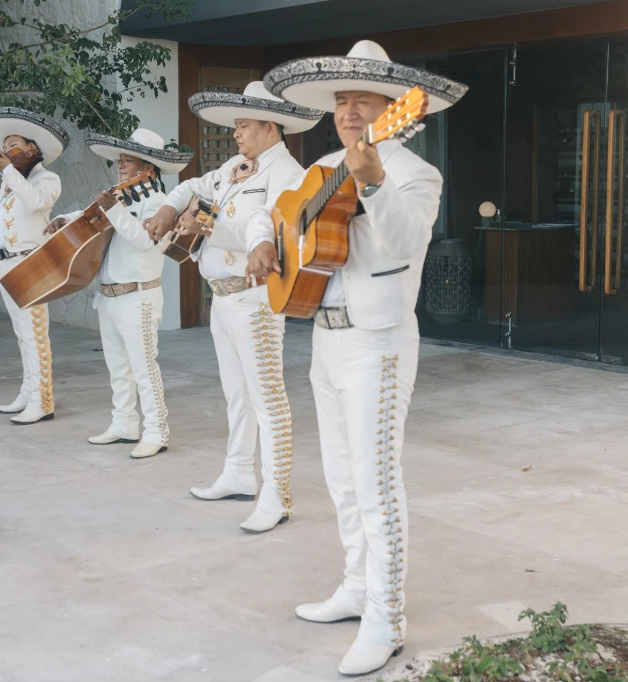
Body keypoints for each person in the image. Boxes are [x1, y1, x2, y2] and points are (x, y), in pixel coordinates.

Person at [246, 40, 467, 675]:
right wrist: (266, 243)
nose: (347, 110)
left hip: (378, 343)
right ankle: (355, 587)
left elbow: (402, 241)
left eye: (361, 99)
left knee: (376, 483)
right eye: (341, 100)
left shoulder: (417, 174)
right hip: (325, 334)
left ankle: (387, 617)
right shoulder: (319, 168)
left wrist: (372, 181)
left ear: (394, 109)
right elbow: (278, 213)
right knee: (341, 479)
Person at [144, 82, 321, 533]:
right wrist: (169, 208)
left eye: (243, 125)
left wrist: (204, 225)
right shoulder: (235, 166)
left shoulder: (289, 174)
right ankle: (239, 471)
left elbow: (273, 235)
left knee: (267, 397)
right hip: (222, 298)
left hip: (256, 296)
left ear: (269, 125)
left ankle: (277, 493)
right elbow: (193, 186)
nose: (236, 133)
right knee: (236, 394)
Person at [47, 128, 193, 458]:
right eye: (120, 160)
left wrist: (113, 208)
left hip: (139, 296)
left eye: (128, 160)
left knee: (144, 368)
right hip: (111, 296)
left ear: (149, 169)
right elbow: (88, 215)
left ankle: (157, 431)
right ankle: (124, 423)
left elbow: (144, 239)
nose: (121, 165)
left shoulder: (158, 202)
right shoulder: (122, 197)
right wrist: (61, 220)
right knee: (118, 369)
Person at [0, 107, 68, 425]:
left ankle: (43, 401)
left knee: (35, 333)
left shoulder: (46, 179)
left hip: (30, 263)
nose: (6, 150)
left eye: (13, 145)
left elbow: (37, 202)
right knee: (22, 334)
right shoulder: (11, 183)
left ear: (32, 150)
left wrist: (6, 170)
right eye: (6, 145)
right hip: (6, 264)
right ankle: (28, 392)